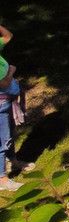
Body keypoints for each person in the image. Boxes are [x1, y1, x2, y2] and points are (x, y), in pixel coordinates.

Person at [0, 24, 23, 192]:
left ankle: (13, 161)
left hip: (7, 101)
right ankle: (2, 180)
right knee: (1, 141)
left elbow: (8, 36)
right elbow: (4, 82)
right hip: (0, 105)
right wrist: (11, 71)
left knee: (9, 134)